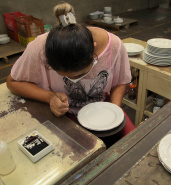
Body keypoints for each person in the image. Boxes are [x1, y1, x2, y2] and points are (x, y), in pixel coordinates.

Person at [7, 2, 135, 144]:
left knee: (132, 144)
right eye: (65, 76)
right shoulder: (39, 47)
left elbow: (120, 81)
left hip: (102, 107)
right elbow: (12, 82)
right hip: (62, 113)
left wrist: (113, 111)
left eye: (80, 75)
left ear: (93, 50)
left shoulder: (114, 45)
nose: (74, 80)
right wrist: (50, 97)